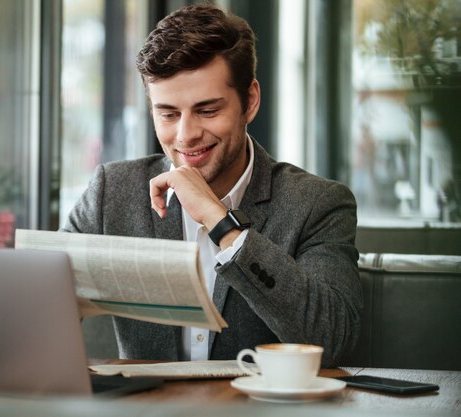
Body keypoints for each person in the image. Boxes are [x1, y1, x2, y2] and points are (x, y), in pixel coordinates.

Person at [62, 4, 362, 367]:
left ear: (249, 102)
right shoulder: (111, 191)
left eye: (207, 111)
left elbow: (333, 340)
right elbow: (38, 310)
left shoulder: (318, 204)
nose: (186, 136)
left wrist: (221, 223)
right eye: (168, 114)